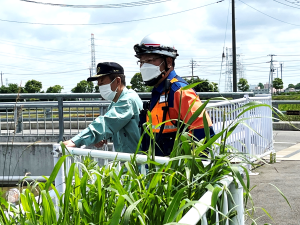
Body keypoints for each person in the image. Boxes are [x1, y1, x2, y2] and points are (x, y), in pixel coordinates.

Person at [134, 33, 215, 156]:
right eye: (142, 61)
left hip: (175, 171)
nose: (144, 66)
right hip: (157, 170)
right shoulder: (158, 91)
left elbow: (203, 133)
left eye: (150, 60)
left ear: (169, 61)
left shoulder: (180, 91)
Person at [63, 62, 143, 153]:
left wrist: (76, 141)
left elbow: (107, 123)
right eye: (99, 84)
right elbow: (116, 128)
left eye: (102, 83)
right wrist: (103, 137)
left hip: (138, 162)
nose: (100, 87)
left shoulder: (128, 101)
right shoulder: (114, 103)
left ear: (117, 81)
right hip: (128, 161)